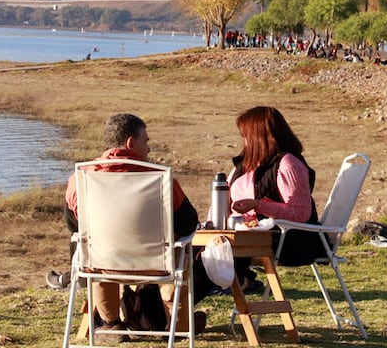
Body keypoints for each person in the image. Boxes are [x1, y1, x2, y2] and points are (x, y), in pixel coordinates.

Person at [45, 113, 206, 335]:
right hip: (156, 265)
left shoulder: (80, 179)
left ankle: (111, 323)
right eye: (146, 141)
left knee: (96, 250)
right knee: (179, 250)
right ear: (131, 143)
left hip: (103, 263)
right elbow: (189, 223)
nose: (149, 148)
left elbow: (74, 226)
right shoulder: (161, 179)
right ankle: (179, 326)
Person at [225, 106, 327, 288]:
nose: (243, 140)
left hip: (290, 239)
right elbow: (225, 200)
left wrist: (257, 205)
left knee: (223, 248)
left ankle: (231, 283)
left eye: (245, 134)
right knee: (203, 247)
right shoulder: (242, 166)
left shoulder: (288, 164)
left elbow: (301, 213)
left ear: (258, 136)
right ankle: (233, 282)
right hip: (249, 234)